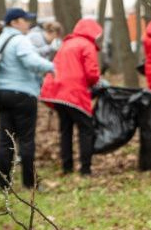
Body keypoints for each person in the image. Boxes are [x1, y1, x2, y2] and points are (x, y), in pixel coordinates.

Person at [0, 7, 56, 190]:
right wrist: (52, 67)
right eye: (25, 20)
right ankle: (30, 183)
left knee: (6, 140)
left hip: (1, 94)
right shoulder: (20, 40)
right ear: (14, 22)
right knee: (26, 140)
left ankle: (0, 184)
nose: (28, 23)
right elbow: (31, 61)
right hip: (22, 95)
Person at [40, 19, 103, 176]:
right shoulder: (87, 45)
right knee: (86, 129)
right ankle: (85, 169)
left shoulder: (67, 44)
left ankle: (67, 167)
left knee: (65, 130)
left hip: (58, 92)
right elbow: (92, 73)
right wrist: (96, 84)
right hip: (74, 93)